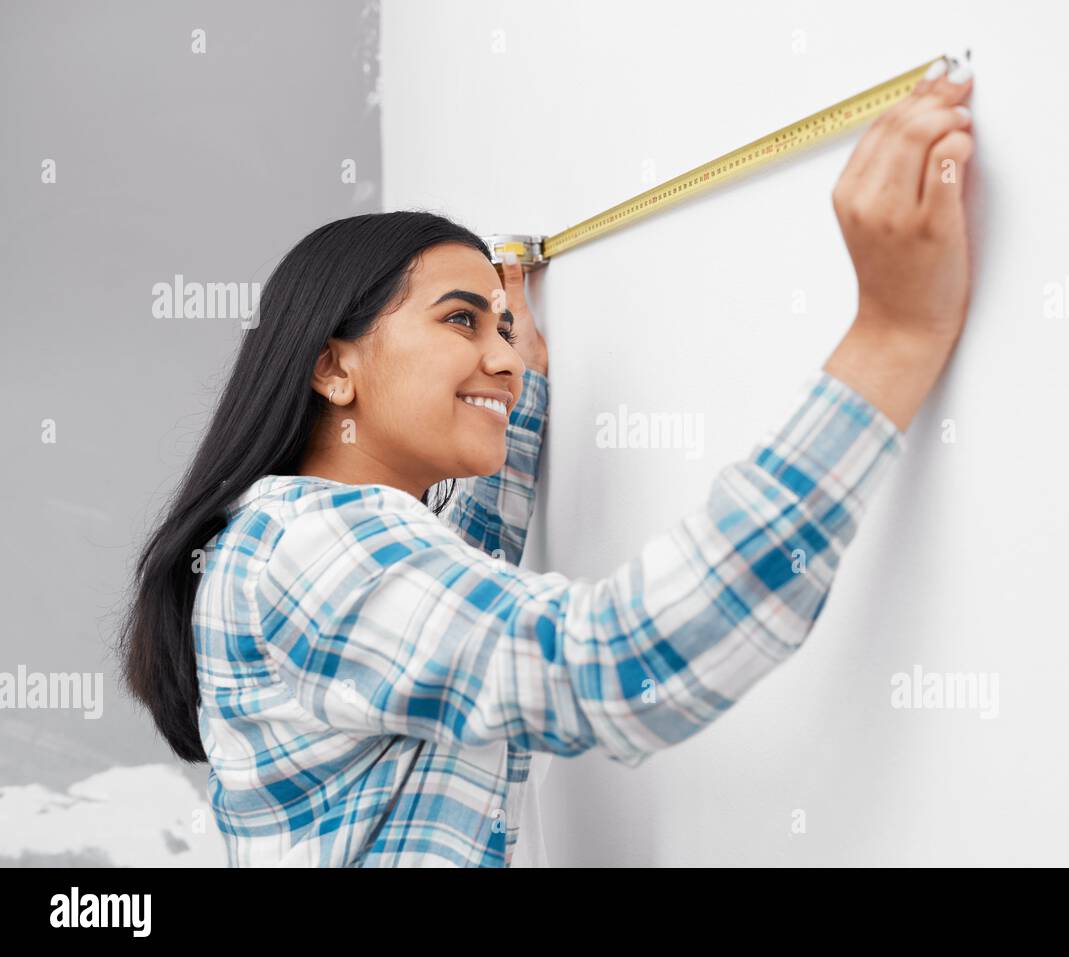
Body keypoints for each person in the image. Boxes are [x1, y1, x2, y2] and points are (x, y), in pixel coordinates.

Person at [118, 56, 975, 866]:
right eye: (460, 320)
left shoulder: (282, 540)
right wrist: (891, 341)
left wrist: (515, 387)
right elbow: (618, 663)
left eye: (502, 330)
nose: (505, 356)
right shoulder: (315, 548)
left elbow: (462, 592)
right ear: (332, 365)